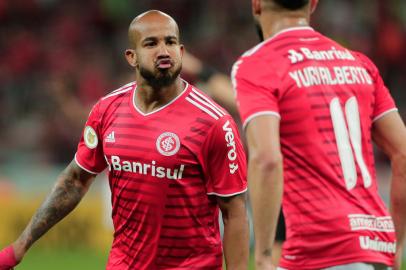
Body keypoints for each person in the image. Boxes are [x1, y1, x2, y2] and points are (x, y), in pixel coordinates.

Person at [0, 10, 249, 270]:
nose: (164, 51)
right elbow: (75, 181)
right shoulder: (107, 110)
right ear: (131, 57)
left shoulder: (214, 123)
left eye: (170, 42)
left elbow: (234, 212)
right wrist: (18, 248)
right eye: (151, 43)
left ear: (182, 52)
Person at [232, 0, 406, 269]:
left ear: (256, 4)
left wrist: (264, 256)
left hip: (317, 248)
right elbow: (403, 153)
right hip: (374, 246)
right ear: (313, 4)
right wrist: (397, 244)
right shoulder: (359, 64)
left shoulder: (257, 64)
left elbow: (266, 160)